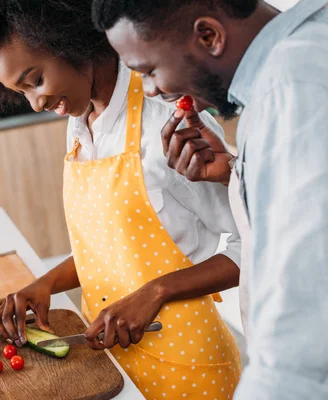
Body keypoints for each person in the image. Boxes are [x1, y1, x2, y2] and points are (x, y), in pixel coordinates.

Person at [0, 1, 243, 398]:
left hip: (187, 366)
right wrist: (44, 284)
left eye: (35, 81)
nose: (36, 103)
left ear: (70, 43)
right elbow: (108, 250)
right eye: (21, 92)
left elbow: (254, 244)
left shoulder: (169, 122)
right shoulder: (80, 125)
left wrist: (156, 292)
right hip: (108, 363)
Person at [90, 0, 328, 399]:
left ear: (209, 36)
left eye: (149, 71)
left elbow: (303, 316)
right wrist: (234, 173)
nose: (152, 90)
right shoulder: (299, 61)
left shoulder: (292, 87)